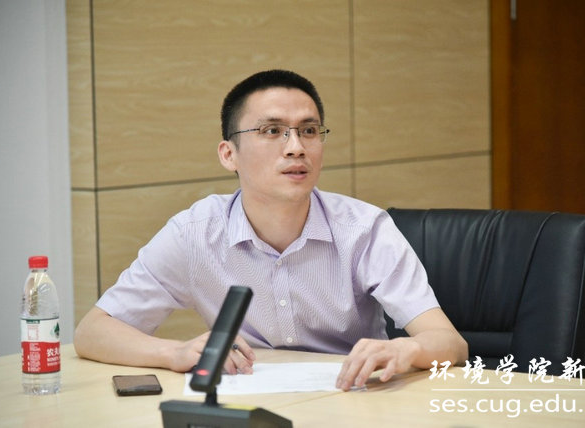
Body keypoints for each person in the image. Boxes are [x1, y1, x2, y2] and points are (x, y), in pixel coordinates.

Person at [74, 69, 468, 391]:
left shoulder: (364, 229)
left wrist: (404, 350)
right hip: (250, 404)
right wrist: (173, 353)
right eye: (272, 131)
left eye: (309, 131)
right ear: (229, 154)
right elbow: (93, 332)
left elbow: (450, 343)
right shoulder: (194, 233)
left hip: (354, 401)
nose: (296, 147)